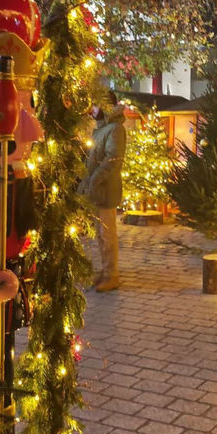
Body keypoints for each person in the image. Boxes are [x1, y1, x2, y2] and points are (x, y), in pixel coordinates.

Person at [81, 90, 126, 290]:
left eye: (96, 105)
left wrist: (95, 179)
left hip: (106, 189)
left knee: (107, 234)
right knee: (100, 234)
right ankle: (105, 270)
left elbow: (113, 159)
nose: (92, 110)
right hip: (96, 188)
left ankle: (112, 274)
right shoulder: (101, 129)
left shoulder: (115, 129)